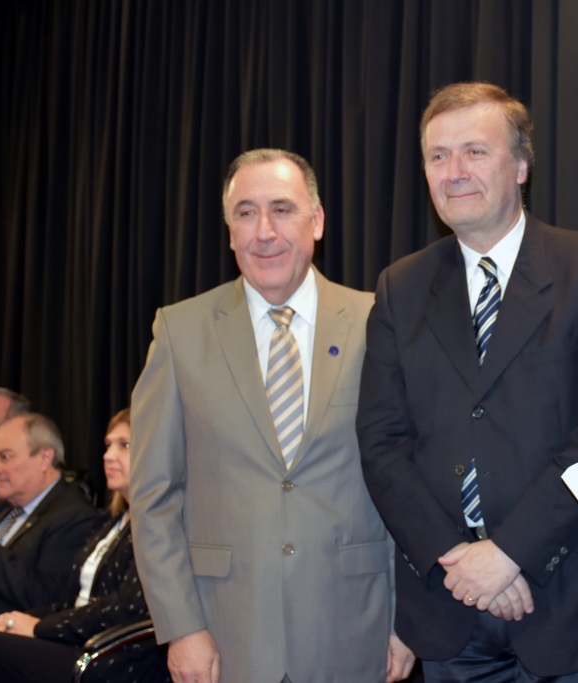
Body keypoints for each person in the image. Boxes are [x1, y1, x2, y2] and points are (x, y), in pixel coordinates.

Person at [357, 82, 578, 682]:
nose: (453, 171)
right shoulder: (399, 288)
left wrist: (511, 553)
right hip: (447, 608)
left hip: (564, 606)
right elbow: (383, 445)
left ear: (520, 165)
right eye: (437, 156)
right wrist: (459, 562)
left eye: (474, 152)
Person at [130, 148, 413, 683]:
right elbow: (153, 496)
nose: (264, 231)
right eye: (245, 212)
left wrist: (406, 620)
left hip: (356, 629)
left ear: (317, 221)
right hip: (223, 635)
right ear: (229, 230)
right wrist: (181, 627)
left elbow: (406, 481)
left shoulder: (377, 321)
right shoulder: (179, 332)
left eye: (282, 209)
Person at [0, 408, 168, 682]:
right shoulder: (112, 523)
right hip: (72, 642)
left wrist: (40, 627)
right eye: (108, 445)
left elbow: (126, 607)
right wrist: (17, 620)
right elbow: (69, 600)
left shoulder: (160, 526)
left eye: (125, 445)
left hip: (110, 657)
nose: (108, 455)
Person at [0, 413, 101, 615]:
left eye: (5, 457)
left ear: (45, 458)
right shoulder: (2, 507)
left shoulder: (74, 517)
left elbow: (46, 598)